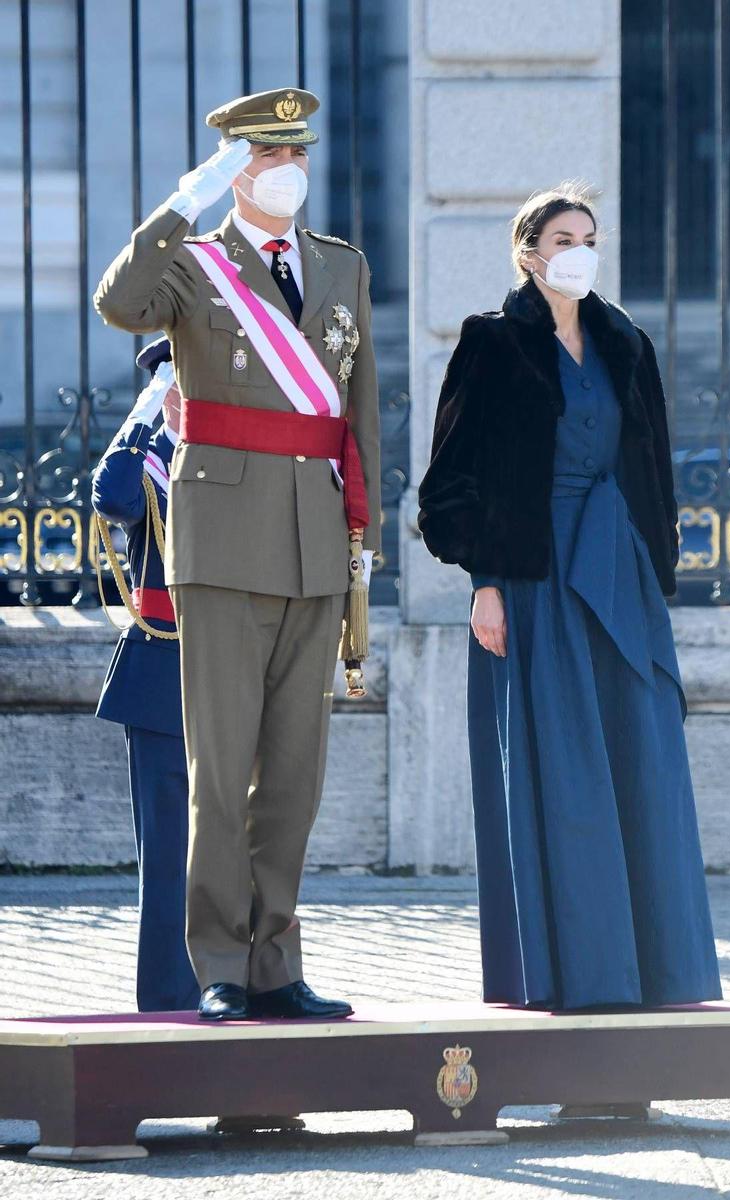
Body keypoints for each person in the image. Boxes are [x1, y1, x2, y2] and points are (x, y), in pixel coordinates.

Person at [94, 88, 381, 1022]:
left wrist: (359, 545)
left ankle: (276, 963)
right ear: (234, 169)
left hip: (312, 545)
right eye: (263, 157)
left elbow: (357, 412)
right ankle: (218, 960)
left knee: (293, 776)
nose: (285, 169)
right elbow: (119, 302)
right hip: (220, 544)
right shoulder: (192, 264)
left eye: (293, 153)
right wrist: (186, 200)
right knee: (220, 773)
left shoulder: (341, 269)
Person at [418, 185, 722, 1012]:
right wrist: (485, 583)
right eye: (563, 236)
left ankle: (659, 971)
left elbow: (650, 471)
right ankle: (572, 975)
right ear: (529, 252)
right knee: (566, 773)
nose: (580, 249)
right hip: (534, 577)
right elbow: (448, 485)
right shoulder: (491, 345)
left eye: (589, 235)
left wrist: (657, 574)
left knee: (641, 760)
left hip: (618, 571)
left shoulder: (626, 342)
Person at [92, 338, 199, 1013]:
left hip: (243, 667)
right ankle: (169, 1002)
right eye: (177, 378)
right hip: (165, 668)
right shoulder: (152, 456)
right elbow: (112, 497)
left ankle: (240, 989)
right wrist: (148, 407)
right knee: (169, 855)